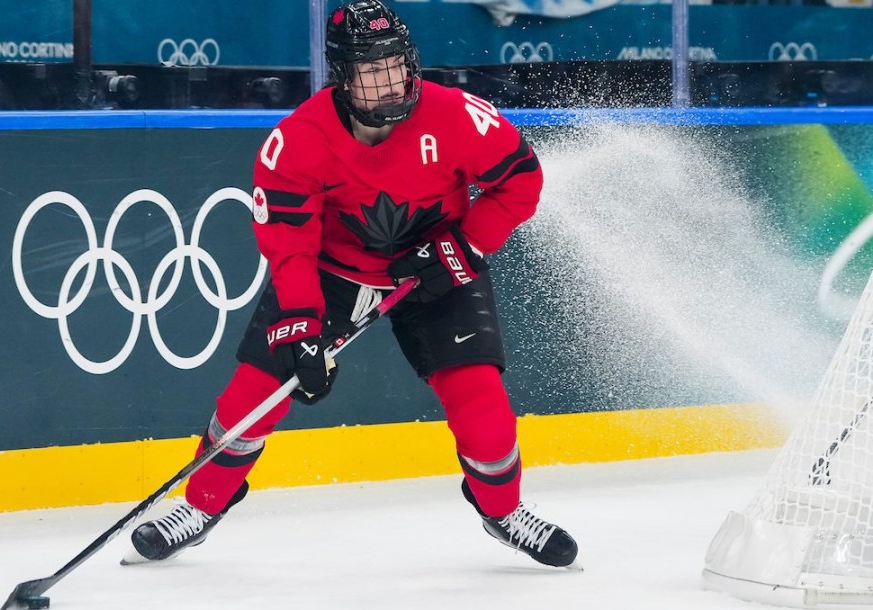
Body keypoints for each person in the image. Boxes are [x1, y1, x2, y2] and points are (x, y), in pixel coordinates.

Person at [122, 0, 578, 569]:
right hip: (330, 274)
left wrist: (465, 244)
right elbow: (289, 247)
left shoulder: (459, 116)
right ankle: (201, 506)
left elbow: (522, 182)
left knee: (483, 407)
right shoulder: (297, 143)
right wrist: (302, 325)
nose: (390, 80)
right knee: (250, 398)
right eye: (371, 68)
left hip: (436, 268)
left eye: (396, 64)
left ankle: (503, 512)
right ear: (342, 76)